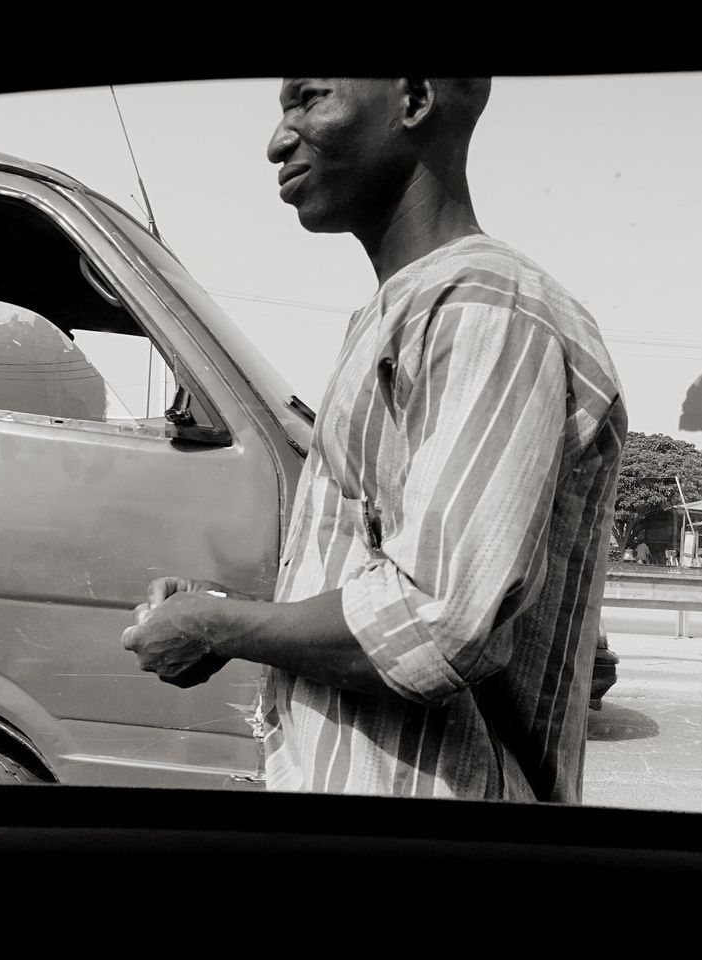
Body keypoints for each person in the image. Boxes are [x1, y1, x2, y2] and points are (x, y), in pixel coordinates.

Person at [121, 78, 627, 803]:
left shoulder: (482, 306)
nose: (277, 140)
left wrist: (218, 625)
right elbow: (389, 576)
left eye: (309, 98)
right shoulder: (405, 309)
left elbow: (440, 620)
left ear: (415, 98)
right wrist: (227, 612)